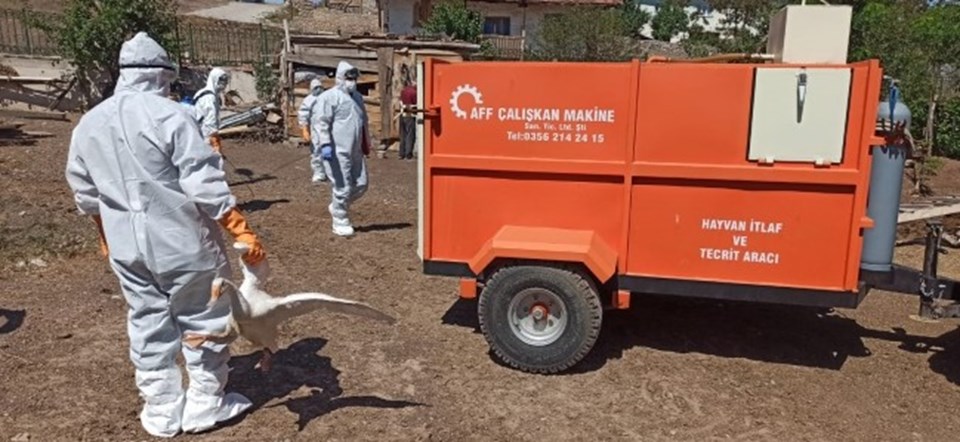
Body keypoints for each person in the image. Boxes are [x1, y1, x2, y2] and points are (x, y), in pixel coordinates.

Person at [64, 32, 265, 438]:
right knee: (203, 314)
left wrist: (106, 233)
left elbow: (85, 193)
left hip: (126, 246)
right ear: (162, 74)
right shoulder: (173, 116)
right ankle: (206, 403)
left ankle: (161, 409)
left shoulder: (89, 123)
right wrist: (240, 228)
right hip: (182, 242)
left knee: (147, 319)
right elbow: (203, 182)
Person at [312, 61, 371, 237]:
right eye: (348, 78)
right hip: (337, 150)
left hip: (356, 150)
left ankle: (337, 205)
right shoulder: (328, 97)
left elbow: (363, 121)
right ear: (340, 78)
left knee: (361, 184)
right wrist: (325, 145)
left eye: (354, 78)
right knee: (342, 186)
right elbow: (321, 123)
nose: (352, 81)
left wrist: (366, 142)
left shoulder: (358, 97)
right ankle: (340, 219)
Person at [193, 67, 230, 155]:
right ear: (214, 79)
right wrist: (214, 139)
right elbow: (210, 119)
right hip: (205, 135)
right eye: (221, 80)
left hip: (198, 133)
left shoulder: (204, 93)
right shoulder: (210, 97)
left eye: (225, 81)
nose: (223, 84)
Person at [298, 78, 327, 184]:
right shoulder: (309, 100)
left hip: (328, 130)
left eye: (320, 87)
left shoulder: (327, 98)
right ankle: (319, 173)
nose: (318, 90)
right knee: (317, 152)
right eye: (316, 88)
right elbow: (303, 115)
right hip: (316, 130)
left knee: (329, 152)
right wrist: (305, 130)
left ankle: (330, 173)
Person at [398, 80, 417, 160]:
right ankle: (408, 153)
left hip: (402, 114)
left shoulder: (403, 91)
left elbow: (401, 101)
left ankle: (401, 153)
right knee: (410, 134)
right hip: (410, 114)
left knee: (403, 134)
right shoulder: (414, 92)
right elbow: (416, 102)